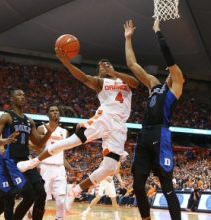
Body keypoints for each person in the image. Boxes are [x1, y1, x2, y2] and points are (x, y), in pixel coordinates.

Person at [17, 44, 139, 201]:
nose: (104, 67)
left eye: (107, 64)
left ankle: (76, 190)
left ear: (113, 67)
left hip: (120, 126)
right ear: (99, 71)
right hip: (105, 118)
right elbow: (83, 77)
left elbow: (136, 82)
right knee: (70, 142)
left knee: (109, 168)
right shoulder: (100, 82)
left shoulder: (125, 81)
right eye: (101, 66)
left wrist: (114, 73)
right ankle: (33, 162)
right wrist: (66, 63)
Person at [123, 19, 185, 220]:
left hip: (161, 133)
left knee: (167, 188)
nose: (169, 70)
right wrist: (128, 39)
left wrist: (158, 31)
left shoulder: (176, 87)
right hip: (145, 134)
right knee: (137, 186)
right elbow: (132, 64)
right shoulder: (153, 84)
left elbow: (169, 57)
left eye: (171, 69)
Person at [0, 89, 57, 220]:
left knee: (41, 193)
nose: (22, 97)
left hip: (25, 160)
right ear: (12, 99)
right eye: (19, 95)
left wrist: (49, 132)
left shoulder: (29, 121)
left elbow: (38, 144)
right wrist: (5, 140)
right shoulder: (6, 117)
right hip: (11, 162)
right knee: (27, 196)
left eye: (24, 95)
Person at [30, 105, 73, 220]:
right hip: (45, 167)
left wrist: (69, 167)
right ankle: (30, 216)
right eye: (52, 111)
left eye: (57, 111)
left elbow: (61, 153)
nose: (55, 112)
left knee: (61, 199)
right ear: (48, 114)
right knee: (40, 198)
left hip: (59, 168)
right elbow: (37, 148)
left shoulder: (65, 132)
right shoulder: (41, 128)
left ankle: (59, 218)